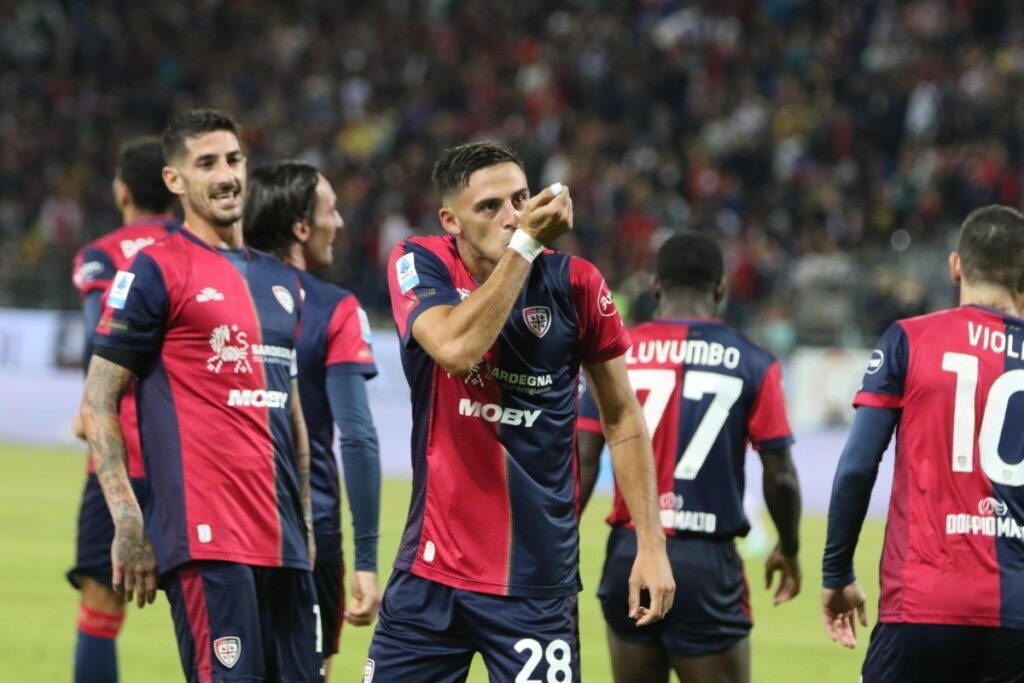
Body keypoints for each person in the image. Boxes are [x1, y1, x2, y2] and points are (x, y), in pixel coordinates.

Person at [365, 140, 675, 682]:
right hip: (431, 574)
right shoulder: (421, 261)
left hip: (536, 582)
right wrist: (526, 247)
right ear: (450, 220)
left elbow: (622, 417)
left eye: (520, 199)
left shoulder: (576, 284)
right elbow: (456, 350)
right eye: (489, 207)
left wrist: (651, 545)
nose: (511, 217)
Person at [81, 109, 321, 683]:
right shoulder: (154, 270)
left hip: (283, 539)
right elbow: (99, 399)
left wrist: (307, 525)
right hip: (207, 539)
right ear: (175, 181)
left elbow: (290, 409)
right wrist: (129, 523)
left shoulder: (283, 281)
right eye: (207, 163)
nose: (226, 175)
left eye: (234, 160)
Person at [577, 231, 802, 683]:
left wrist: (554, 550)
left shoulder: (614, 353)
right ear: (721, 289)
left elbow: (581, 459)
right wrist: (789, 548)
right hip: (706, 562)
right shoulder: (754, 362)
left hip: (630, 552)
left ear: (656, 286)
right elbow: (780, 477)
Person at [822, 204, 1024, 682]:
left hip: (921, 606)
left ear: (956, 265)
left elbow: (856, 467)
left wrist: (836, 575)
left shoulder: (908, 340)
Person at [244, 160, 382, 679]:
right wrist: (366, 559)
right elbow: (359, 438)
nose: (341, 223)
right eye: (331, 210)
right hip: (309, 535)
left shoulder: (213, 292)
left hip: (221, 529)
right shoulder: (334, 308)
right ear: (301, 228)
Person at [68, 136, 177, 683]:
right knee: (211, 613)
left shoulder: (101, 255)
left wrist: (91, 408)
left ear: (123, 189)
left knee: (101, 607)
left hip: (120, 456)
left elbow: (99, 339)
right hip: (190, 457)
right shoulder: (196, 248)